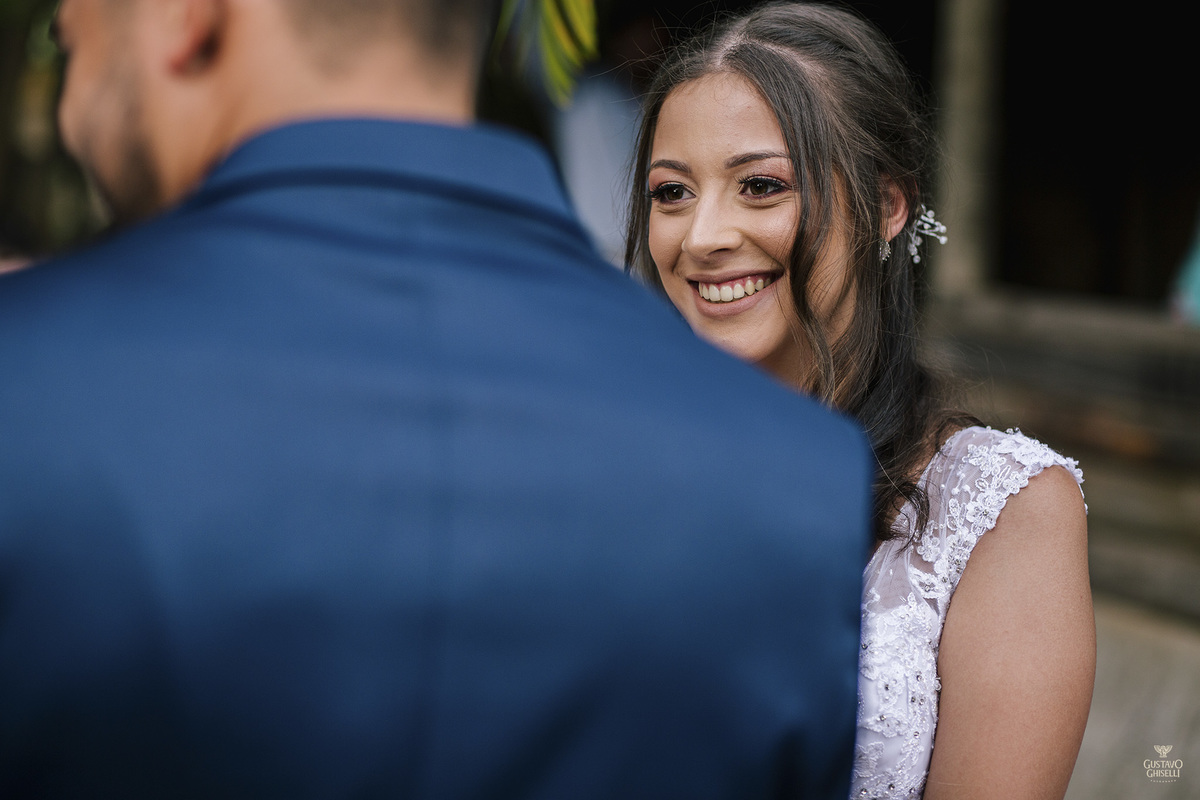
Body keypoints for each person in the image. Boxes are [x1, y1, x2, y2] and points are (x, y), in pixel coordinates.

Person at [0, 0, 873, 797]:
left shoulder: (30, 383)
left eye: (71, 30)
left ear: (183, 16)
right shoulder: (797, 475)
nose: (70, 86)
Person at [623, 4, 1095, 798]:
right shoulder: (616, 466)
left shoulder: (997, 508)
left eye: (761, 186)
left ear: (886, 204)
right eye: (671, 192)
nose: (700, 236)